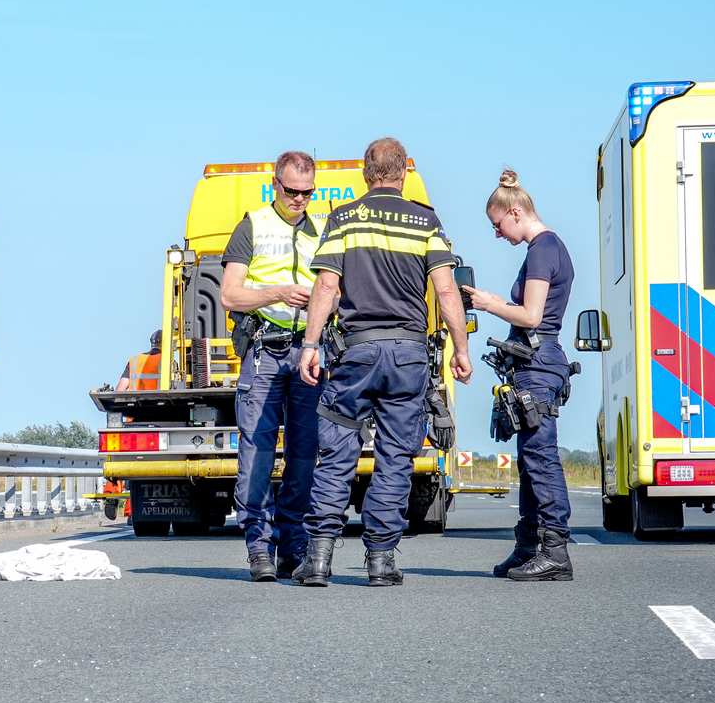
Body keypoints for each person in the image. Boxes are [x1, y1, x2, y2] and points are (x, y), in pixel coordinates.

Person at [296, 137, 472, 587]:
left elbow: (326, 288)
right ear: (403, 174)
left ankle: (317, 561)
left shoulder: (343, 219)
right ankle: (380, 561)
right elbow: (447, 291)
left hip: (356, 353)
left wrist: (311, 345)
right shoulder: (425, 221)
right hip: (408, 356)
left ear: (364, 173)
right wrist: (461, 349)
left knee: (336, 454)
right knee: (395, 457)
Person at [461, 169, 576, 581]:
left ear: (515, 211)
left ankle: (556, 552)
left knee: (541, 459)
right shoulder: (543, 249)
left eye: (497, 225)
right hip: (533, 364)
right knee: (530, 460)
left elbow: (531, 315)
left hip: (539, 363)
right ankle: (528, 546)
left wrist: (490, 303)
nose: (497, 234)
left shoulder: (543, 250)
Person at [220, 150, 323, 582]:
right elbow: (230, 295)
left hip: (308, 351)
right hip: (264, 351)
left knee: (304, 454)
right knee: (258, 452)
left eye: (307, 192)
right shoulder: (253, 225)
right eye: (292, 190)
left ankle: (292, 544)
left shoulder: (324, 231)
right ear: (275, 184)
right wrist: (277, 292)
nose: (300, 199)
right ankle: (258, 546)